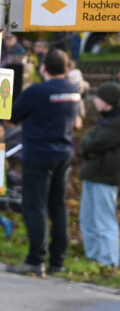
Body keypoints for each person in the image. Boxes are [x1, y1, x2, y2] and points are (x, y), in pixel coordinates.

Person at [8, 48, 82, 277]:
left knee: (35, 206)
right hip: (63, 154)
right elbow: (78, 123)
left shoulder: (36, 91)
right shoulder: (73, 90)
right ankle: (57, 261)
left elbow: (11, 115)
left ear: (44, 68)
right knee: (58, 206)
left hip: (38, 155)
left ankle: (35, 260)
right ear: (66, 67)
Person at [78, 81, 120, 268]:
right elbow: (86, 143)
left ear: (107, 101)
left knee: (104, 220)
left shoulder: (116, 123)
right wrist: (88, 147)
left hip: (106, 176)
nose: (95, 101)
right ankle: (94, 257)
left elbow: (94, 144)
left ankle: (109, 260)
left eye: (99, 98)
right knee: (87, 219)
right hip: (93, 174)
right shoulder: (105, 119)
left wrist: (88, 147)